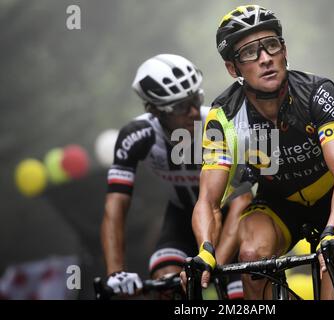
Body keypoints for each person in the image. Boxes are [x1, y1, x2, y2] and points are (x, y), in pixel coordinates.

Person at [186, 5, 334, 299]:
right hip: (278, 202)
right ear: (232, 68)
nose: (265, 59)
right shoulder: (223, 115)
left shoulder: (317, 93)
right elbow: (209, 201)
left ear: (284, 50)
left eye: (271, 45)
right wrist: (206, 251)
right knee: (251, 255)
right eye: (250, 52)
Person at [100, 54, 250, 299]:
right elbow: (114, 208)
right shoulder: (137, 136)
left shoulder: (220, 126)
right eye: (181, 106)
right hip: (181, 218)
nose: (193, 111)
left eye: (196, 99)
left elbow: (241, 202)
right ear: (154, 110)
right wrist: (115, 272)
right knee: (168, 285)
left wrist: (214, 262)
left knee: (240, 297)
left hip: (232, 220)